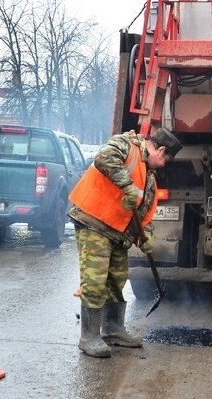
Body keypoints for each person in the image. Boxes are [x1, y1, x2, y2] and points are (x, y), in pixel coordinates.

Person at [68, 127, 182, 358]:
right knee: (95, 280)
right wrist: (127, 186)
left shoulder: (149, 177)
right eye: (166, 158)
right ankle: (88, 337)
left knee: (117, 280)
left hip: (118, 233)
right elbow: (103, 158)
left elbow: (143, 213)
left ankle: (113, 329)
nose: (164, 164)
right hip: (94, 222)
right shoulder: (125, 145)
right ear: (160, 149)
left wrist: (145, 235)